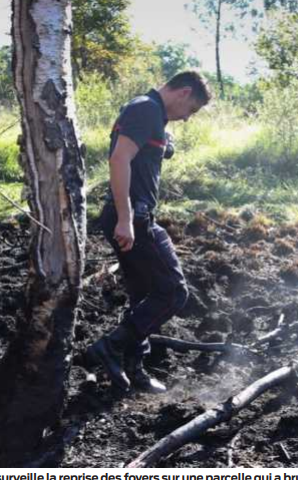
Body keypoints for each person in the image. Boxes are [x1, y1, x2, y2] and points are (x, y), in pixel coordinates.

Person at [86, 71, 212, 393]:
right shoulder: (145, 109)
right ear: (183, 93)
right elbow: (119, 160)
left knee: (143, 295)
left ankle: (132, 366)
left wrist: (164, 145)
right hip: (133, 218)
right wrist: (126, 218)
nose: (187, 118)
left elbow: (140, 152)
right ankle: (111, 346)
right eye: (192, 110)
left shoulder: (152, 114)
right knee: (173, 292)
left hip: (131, 215)